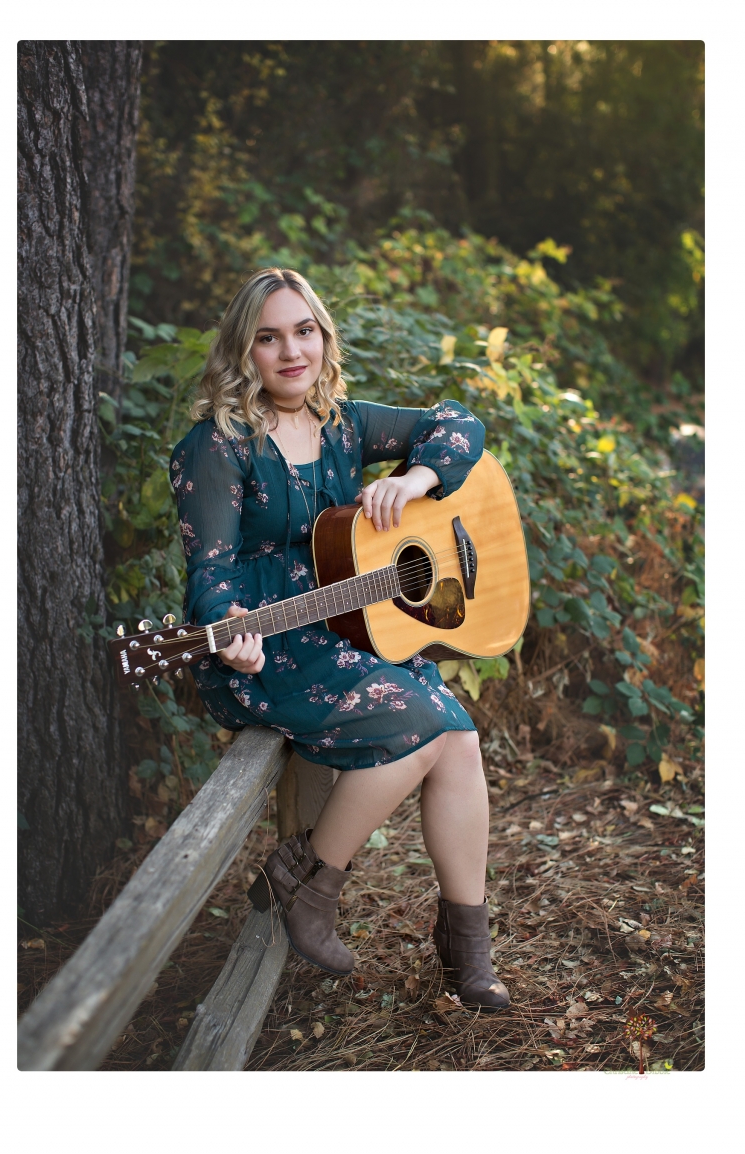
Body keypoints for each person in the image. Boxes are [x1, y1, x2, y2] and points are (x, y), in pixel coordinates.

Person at [170, 268, 509, 1010]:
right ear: (243, 352)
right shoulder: (217, 445)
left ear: (323, 336)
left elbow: (460, 424)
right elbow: (212, 571)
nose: (291, 351)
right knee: (428, 727)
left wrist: (418, 477)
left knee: (461, 742)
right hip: (274, 647)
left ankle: (465, 946)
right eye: (268, 337)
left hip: (350, 628)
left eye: (304, 330)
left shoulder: (346, 424)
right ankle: (310, 882)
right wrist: (230, 633)